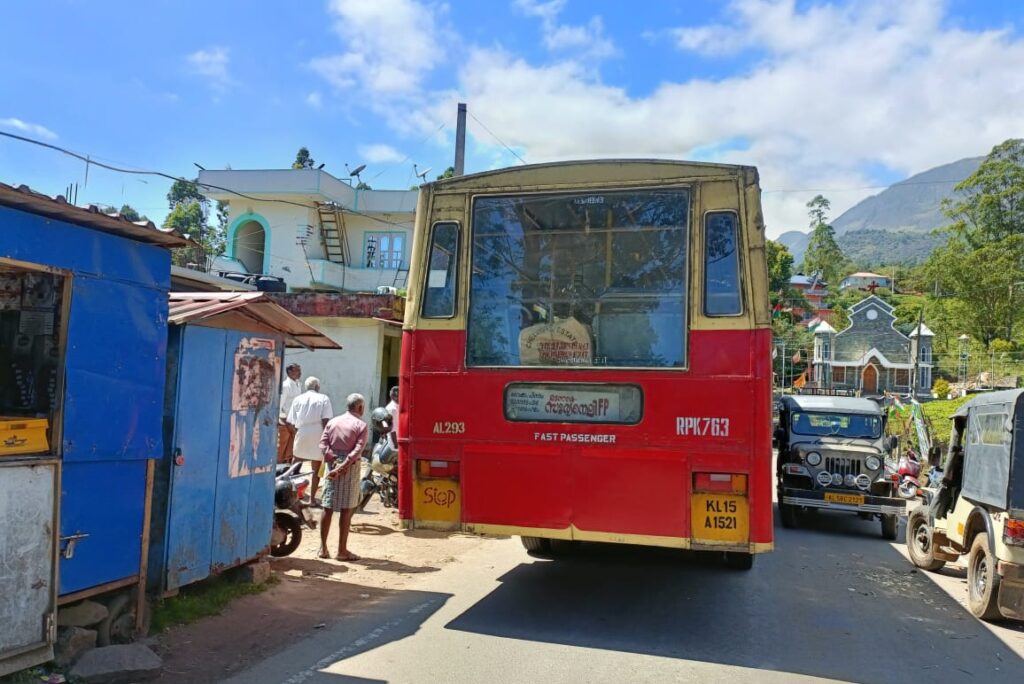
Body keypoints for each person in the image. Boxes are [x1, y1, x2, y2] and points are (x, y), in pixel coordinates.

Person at [318, 393, 368, 561]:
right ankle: (342, 551)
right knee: (347, 509)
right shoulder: (361, 425)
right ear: (360, 407)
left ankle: (323, 548)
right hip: (350, 467)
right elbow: (357, 449)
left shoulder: (333, 422)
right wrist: (344, 465)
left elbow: (323, 443)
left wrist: (333, 460)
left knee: (327, 506)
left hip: (332, 465)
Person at [286, 377, 333, 504]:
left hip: (302, 431)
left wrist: (296, 433)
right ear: (317, 387)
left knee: (295, 464)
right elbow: (326, 420)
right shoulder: (324, 398)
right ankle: (312, 499)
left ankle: (293, 497)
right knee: (316, 469)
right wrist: (327, 438)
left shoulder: (298, 399)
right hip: (318, 432)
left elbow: (290, 422)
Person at [277, 363, 302, 463]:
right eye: (297, 370)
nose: (300, 373)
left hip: (295, 421)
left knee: (291, 449)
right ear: (289, 372)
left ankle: (286, 467)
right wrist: (286, 422)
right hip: (285, 422)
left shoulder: (298, 384)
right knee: (281, 448)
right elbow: (280, 405)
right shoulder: (285, 386)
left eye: (299, 370)